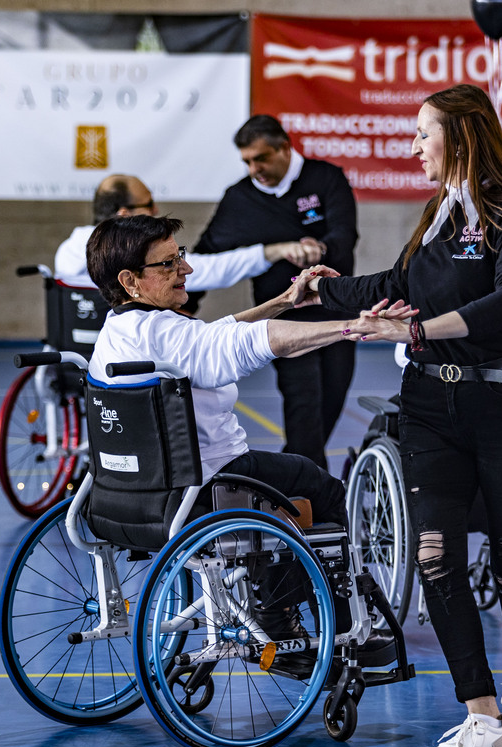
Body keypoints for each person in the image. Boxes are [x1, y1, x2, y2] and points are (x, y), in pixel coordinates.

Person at [307, 84, 502, 747]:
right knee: (434, 556)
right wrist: (327, 287)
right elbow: (400, 282)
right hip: (429, 409)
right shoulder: (437, 215)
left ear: (462, 137)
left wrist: (415, 328)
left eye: (424, 134)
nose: (413, 146)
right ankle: (483, 720)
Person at [85, 214, 389, 672]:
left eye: (180, 257)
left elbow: (213, 336)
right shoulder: (168, 333)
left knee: (279, 479)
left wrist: (284, 301)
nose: (185, 270)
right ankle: (310, 625)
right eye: (168, 264)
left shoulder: (118, 331)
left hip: (125, 498)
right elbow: (250, 344)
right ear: (130, 280)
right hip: (205, 492)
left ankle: (281, 607)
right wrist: (352, 327)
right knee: (316, 486)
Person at [195, 115, 359, 471]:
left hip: (336, 315)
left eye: (262, 158)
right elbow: (206, 254)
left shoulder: (326, 178)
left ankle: (296, 476)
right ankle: (311, 502)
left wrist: (321, 249)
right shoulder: (240, 199)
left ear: (284, 148)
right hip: (283, 323)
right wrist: (179, 305)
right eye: (247, 162)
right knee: (303, 407)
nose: (255, 169)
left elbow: (346, 236)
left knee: (331, 401)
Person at [53, 173, 324, 318]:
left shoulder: (66, 254)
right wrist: (274, 251)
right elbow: (211, 270)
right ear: (125, 214)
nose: (156, 210)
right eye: (148, 205)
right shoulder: (130, 261)